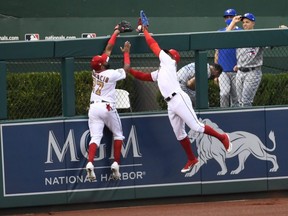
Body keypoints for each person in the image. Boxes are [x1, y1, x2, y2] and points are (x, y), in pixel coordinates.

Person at [129, 14, 232, 174]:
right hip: (171, 104)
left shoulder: (169, 62)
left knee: (196, 127)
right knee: (179, 134)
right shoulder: (161, 71)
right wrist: (129, 70)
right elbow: (143, 76)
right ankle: (192, 158)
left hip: (179, 98)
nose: (165, 53)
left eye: (168, 53)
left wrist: (146, 31)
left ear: (172, 57)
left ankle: (222, 137)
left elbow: (153, 45)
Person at [85, 24, 131, 181]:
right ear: (102, 65)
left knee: (95, 138)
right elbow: (127, 68)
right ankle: (116, 164)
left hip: (93, 107)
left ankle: (90, 162)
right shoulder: (111, 74)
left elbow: (108, 50)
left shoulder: (94, 71)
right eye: (103, 61)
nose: (105, 60)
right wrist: (126, 53)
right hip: (107, 106)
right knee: (118, 135)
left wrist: (116, 32)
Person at [226, 13, 264, 107]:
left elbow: (273, 42)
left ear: (253, 23)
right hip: (240, 71)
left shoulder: (259, 36)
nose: (245, 24)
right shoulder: (239, 35)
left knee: (246, 101)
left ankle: (249, 121)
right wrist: (233, 22)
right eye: (243, 22)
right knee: (240, 102)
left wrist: (283, 30)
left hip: (253, 71)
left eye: (247, 22)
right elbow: (225, 35)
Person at [214, 8, 241, 107]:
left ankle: (236, 116)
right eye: (227, 17)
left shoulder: (241, 32)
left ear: (236, 17)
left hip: (236, 69)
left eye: (231, 16)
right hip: (223, 70)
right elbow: (217, 53)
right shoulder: (220, 32)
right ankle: (223, 112)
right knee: (224, 93)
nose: (229, 18)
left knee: (236, 97)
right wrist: (216, 74)